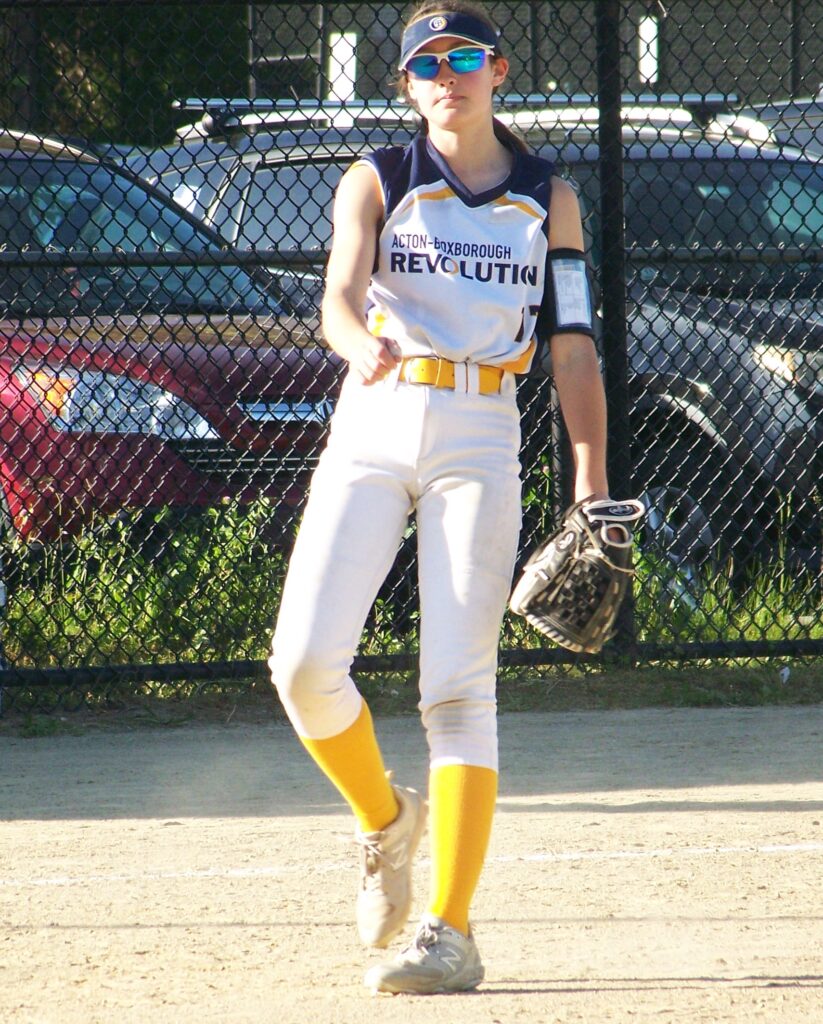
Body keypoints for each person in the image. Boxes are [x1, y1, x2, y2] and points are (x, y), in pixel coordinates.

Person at [268, 0, 612, 995]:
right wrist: (351, 341)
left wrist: (589, 479)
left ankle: (450, 930)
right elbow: (338, 294)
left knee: (458, 689)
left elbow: (573, 345)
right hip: (373, 418)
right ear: (407, 83)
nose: (444, 73)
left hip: (481, 427)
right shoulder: (378, 175)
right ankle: (385, 819)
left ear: (499, 70)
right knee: (301, 665)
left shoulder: (549, 196)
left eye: (463, 56)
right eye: (425, 62)